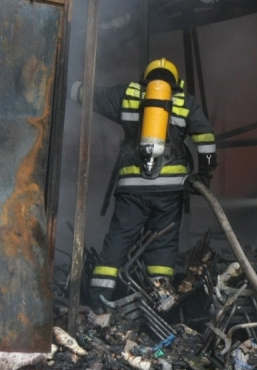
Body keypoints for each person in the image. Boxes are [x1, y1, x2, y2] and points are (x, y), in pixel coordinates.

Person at [71, 58, 216, 305]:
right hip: (170, 189)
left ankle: (99, 303)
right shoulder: (185, 102)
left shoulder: (127, 94)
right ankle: (159, 301)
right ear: (176, 81)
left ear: (144, 79)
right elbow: (207, 143)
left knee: (118, 240)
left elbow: (85, 95)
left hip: (132, 188)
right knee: (163, 244)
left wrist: (64, 82)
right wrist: (204, 176)